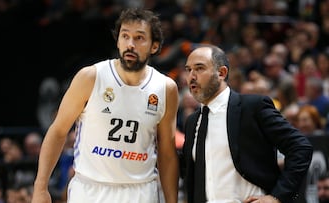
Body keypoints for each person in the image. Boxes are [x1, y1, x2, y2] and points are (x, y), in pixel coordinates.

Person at [31, 8, 179, 203]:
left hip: (141, 192)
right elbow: (58, 130)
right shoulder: (90, 77)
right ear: (117, 41)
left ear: (154, 46)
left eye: (139, 38)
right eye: (125, 36)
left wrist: (172, 201)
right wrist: (40, 187)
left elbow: (167, 152)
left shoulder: (165, 88)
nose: (130, 44)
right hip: (90, 189)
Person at [180, 45, 313, 203]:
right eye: (188, 70)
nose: (191, 77)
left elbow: (300, 147)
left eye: (199, 68)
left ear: (221, 73)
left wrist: (277, 196)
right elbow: (189, 174)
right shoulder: (192, 121)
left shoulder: (252, 107)